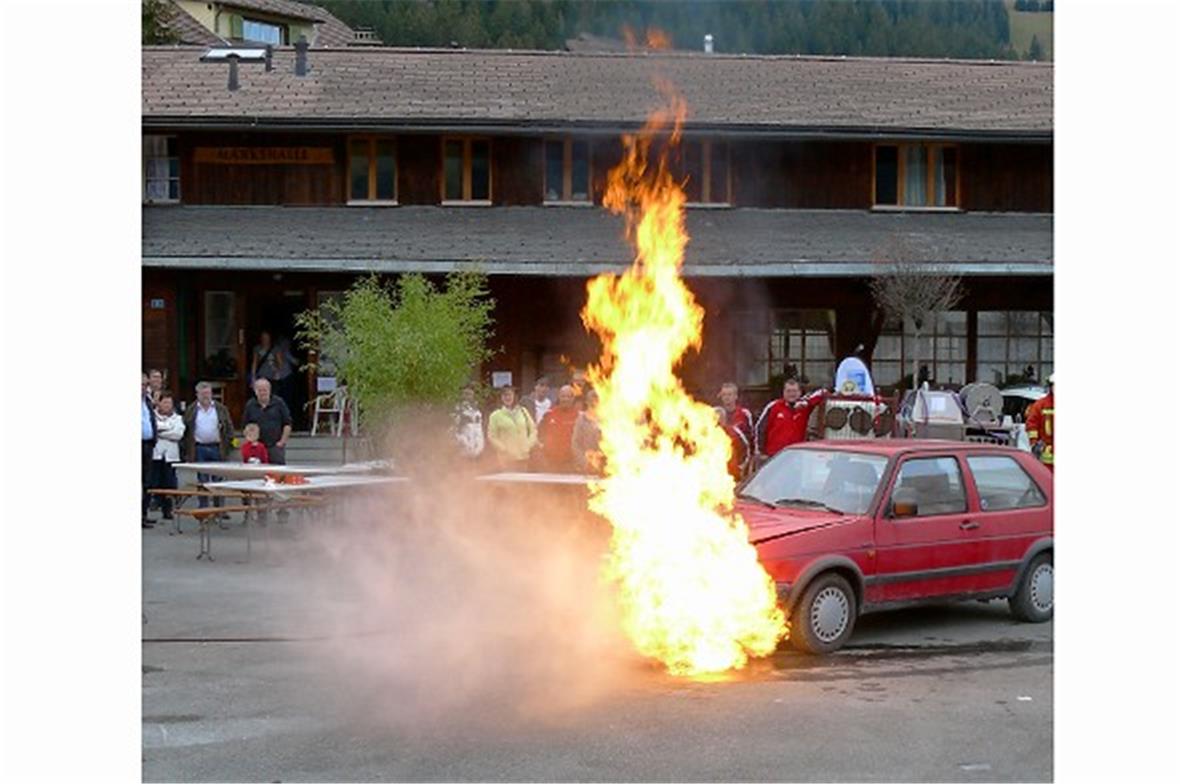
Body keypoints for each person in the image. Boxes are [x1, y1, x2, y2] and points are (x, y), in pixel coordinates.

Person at [182, 381, 235, 514]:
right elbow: (185, 429)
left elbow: (229, 427)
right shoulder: (191, 409)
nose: (206, 396)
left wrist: (228, 442)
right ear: (197, 394)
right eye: (203, 393)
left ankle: (219, 509)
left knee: (219, 479)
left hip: (217, 447)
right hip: (199, 448)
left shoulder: (221, 408)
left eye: (208, 393)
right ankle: (204, 508)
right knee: (203, 480)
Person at [755, 378, 827, 463]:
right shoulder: (774, 406)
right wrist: (761, 452)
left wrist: (807, 402)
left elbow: (823, 392)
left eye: (794, 391)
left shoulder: (805, 408)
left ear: (800, 392)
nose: (791, 394)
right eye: (788, 391)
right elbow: (760, 428)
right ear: (783, 392)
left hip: (796, 457)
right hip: (773, 457)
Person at [150, 392, 186, 523]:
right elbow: (152, 430)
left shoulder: (178, 418)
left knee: (169, 483)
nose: (167, 405)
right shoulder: (152, 415)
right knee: (153, 482)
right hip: (156, 455)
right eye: (164, 402)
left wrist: (160, 433)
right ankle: (149, 509)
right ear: (159, 403)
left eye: (169, 403)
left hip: (171, 456)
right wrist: (166, 430)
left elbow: (178, 434)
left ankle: (168, 510)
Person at [243, 378, 292, 465]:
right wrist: (250, 442)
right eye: (259, 390)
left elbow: (287, 424)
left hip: (275, 447)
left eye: (265, 390)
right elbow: (246, 426)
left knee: (277, 474)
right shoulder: (250, 405)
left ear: (270, 390)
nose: (262, 393)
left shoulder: (279, 403)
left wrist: (282, 442)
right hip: (256, 447)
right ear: (255, 391)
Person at [487, 386, 537, 471]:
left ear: (514, 396)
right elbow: (492, 436)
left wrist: (528, 445)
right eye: (504, 395)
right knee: (508, 484)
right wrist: (504, 449)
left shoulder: (523, 411)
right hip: (507, 459)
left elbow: (533, 431)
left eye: (510, 395)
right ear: (501, 398)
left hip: (523, 457)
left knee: (523, 483)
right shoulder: (495, 415)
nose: (507, 397)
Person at [536, 384, 580, 472]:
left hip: (571, 464)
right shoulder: (549, 414)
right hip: (550, 463)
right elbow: (539, 434)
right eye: (563, 396)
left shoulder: (579, 417)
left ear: (573, 398)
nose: (565, 399)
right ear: (559, 397)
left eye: (568, 396)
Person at [717, 382, 755, 481]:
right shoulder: (716, 414)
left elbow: (751, 439)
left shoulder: (744, 414)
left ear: (735, 396)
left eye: (729, 394)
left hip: (740, 465)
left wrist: (745, 464)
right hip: (720, 466)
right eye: (724, 395)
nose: (727, 397)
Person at [1024, 373, 1055, 472]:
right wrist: (1034, 443)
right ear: (1051, 387)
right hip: (1047, 459)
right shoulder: (1040, 405)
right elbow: (1032, 425)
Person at [572, 387, 603, 474]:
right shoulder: (581, 419)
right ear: (587, 402)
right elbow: (575, 443)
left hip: (604, 467)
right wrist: (584, 462)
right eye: (591, 400)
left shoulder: (607, 419)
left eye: (596, 399)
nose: (594, 402)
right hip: (584, 467)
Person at [141, 373, 159, 529]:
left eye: (145, 385)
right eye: (141, 385)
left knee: (147, 481)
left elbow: (151, 420)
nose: (143, 388)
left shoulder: (147, 402)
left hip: (147, 444)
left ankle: (143, 514)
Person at [453, 384, 485, 459]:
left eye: (470, 394)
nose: (467, 396)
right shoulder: (457, 410)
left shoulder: (477, 410)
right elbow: (453, 430)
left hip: (477, 451)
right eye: (465, 394)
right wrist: (463, 443)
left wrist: (481, 446)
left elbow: (480, 429)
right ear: (461, 395)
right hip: (463, 452)